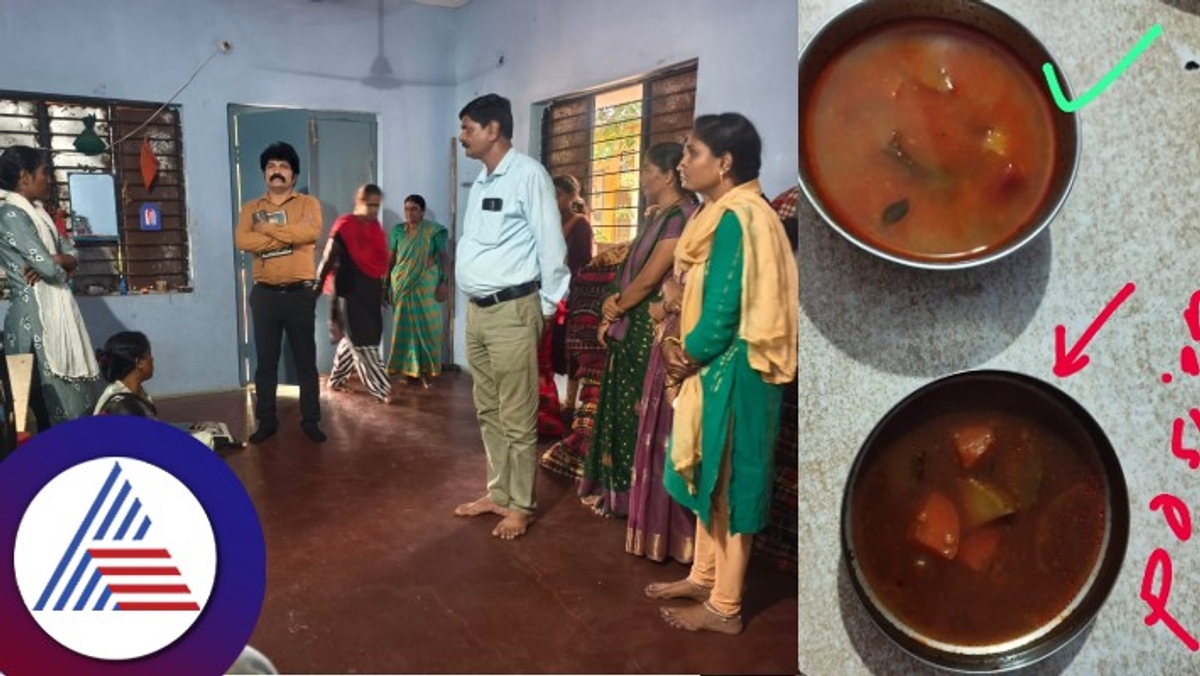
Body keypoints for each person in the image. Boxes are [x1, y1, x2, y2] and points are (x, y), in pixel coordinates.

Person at [645, 114, 798, 635]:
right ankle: (704, 575)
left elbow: (725, 306)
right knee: (713, 480)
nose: (682, 163)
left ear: (725, 163)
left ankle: (725, 607)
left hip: (738, 369)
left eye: (692, 153)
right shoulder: (718, 214)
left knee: (733, 486)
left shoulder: (740, 216)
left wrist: (681, 350)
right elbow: (693, 288)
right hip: (718, 367)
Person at [452, 93, 569, 540]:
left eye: (468, 129)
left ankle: (521, 505)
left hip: (514, 311)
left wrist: (538, 311)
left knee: (518, 414)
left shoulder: (528, 176)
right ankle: (498, 494)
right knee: (488, 409)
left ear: (493, 129)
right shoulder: (483, 181)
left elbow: (552, 249)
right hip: (479, 313)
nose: (463, 137)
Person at [580, 143, 698, 516]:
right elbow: (633, 269)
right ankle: (617, 495)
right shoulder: (660, 215)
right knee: (620, 407)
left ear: (666, 176)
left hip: (650, 326)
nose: (642, 176)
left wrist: (618, 306)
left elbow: (651, 278)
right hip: (632, 321)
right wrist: (612, 308)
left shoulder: (681, 216)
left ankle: (638, 502)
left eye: (647, 169)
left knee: (637, 411)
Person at [622, 142, 699, 563]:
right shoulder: (693, 216)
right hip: (668, 330)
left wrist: (668, 298)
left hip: (686, 334)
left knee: (676, 439)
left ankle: (681, 541)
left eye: (695, 155)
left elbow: (681, 280)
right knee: (655, 431)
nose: (686, 164)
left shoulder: (696, 217)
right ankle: (655, 533)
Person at [0, 145, 99, 427]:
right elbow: (52, 271)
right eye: (44, 172)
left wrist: (57, 257)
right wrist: (57, 263)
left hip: (54, 314)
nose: (49, 179)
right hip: (32, 321)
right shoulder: (10, 216)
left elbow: (69, 257)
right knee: (34, 410)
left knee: (72, 404)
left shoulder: (40, 214)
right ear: (24, 176)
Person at [234, 141, 325, 443]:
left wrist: (267, 231)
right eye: (272, 166)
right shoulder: (251, 208)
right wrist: (287, 239)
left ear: (294, 176)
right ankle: (266, 420)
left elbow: (309, 233)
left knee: (305, 362)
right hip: (265, 296)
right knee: (266, 362)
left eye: (284, 166)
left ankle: (310, 419)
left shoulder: (307, 204)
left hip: (300, 294)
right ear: (264, 174)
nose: (277, 171)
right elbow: (243, 241)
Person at [539, 242, 628, 479]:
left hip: (582, 337)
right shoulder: (621, 274)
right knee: (602, 396)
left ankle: (581, 444)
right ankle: (596, 453)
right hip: (603, 338)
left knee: (592, 391)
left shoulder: (586, 274)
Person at [93, 331, 243, 450]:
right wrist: (210, 440)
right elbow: (158, 448)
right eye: (149, 355)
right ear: (139, 363)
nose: (153, 359)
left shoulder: (130, 391)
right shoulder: (123, 406)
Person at [317, 184, 392, 404]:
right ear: (359, 202)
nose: (373, 210)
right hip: (349, 294)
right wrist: (315, 288)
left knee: (352, 340)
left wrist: (382, 291)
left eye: (377, 206)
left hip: (369, 293)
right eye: (369, 205)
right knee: (363, 342)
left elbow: (379, 264)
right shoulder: (345, 225)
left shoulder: (375, 228)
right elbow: (327, 261)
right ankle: (381, 388)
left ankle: (337, 379)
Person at [385, 194, 448, 388]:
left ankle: (425, 370)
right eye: (407, 209)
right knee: (404, 329)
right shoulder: (397, 231)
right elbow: (391, 257)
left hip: (425, 284)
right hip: (402, 284)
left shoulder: (433, 231)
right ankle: (407, 370)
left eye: (414, 209)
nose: (409, 213)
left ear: (422, 211)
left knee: (428, 327)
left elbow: (444, 257)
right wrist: (384, 283)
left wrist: (444, 282)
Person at [550, 175, 594, 423]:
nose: (555, 200)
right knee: (551, 348)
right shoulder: (549, 222)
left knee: (571, 348)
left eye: (559, 195)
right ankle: (550, 397)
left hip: (572, 293)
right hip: (548, 291)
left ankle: (570, 400)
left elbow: (583, 264)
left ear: (571, 197)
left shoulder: (580, 225)